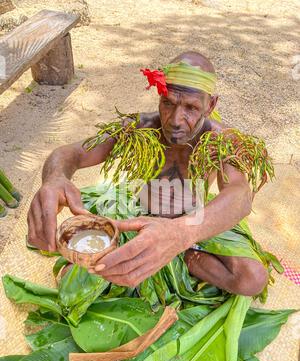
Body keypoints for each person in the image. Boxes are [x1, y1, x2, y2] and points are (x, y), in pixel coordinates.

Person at [27, 51, 271, 296]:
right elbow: (70, 154)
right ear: (159, 96)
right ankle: (146, 252)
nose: (176, 120)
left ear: (211, 105)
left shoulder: (221, 141)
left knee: (252, 278)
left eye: (191, 108)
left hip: (193, 222)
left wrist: (180, 234)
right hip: (137, 216)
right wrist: (55, 178)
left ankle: (185, 256)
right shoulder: (139, 128)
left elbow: (240, 194)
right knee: (71, 281)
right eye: (168, 103)